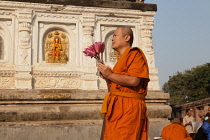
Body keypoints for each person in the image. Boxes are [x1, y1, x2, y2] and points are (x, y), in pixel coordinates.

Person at [97, 26, 150, 140]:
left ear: (126, 38)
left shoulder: (135, 54)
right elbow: (114, 89)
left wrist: (110, 75)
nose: (112, 38)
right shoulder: (120, 61)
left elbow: (134, 80)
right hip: (116, 107)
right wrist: (107, 78)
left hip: (128, 107)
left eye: (115, 35)